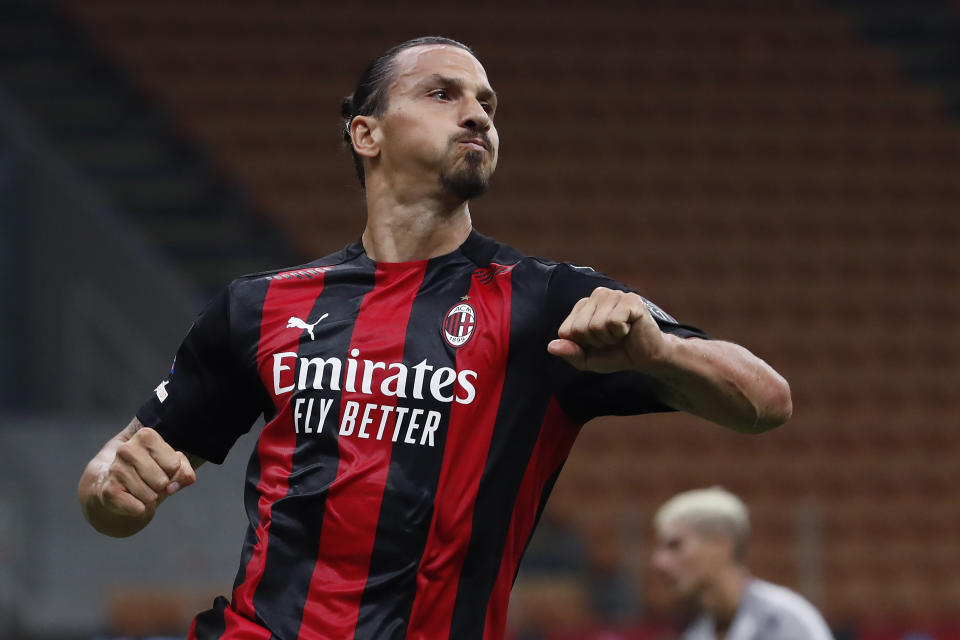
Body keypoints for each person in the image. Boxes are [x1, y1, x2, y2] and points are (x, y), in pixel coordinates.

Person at [78, 36, 793, 640]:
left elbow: (766, 401)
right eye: (443, 94)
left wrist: (661, 352)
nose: (478, 115)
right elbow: (115, 476)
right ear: (367, 133)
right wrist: (113, 491)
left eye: (488, 103)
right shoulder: (260, 306)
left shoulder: (546, 302)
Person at [652, 487, 832, 640]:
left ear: (720, 546)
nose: (660, 561)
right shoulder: (697, 634)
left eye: (675, 545)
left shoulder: (785, 621)